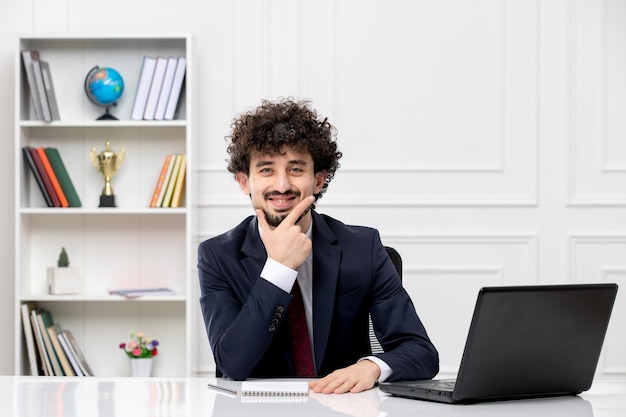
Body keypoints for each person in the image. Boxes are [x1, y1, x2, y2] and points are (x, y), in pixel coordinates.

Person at [198, 97, 439, 394]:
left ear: (319, 180)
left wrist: (372, 366)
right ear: (243, 181)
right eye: (266, 170)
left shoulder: (363, 247)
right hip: (260, 411)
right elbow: (233, 364)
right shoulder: (217, 256)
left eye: (296, 169)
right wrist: (279, 269)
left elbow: (421, 352)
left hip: (344, 406)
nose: (282, 185)